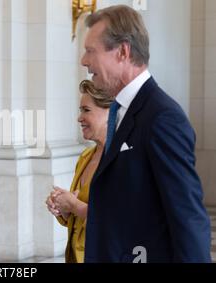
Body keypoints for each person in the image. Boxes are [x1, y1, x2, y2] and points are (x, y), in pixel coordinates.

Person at [80, 5, 211, 262]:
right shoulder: (120, 111)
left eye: (90, 51)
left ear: (123, 51)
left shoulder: (163, 118)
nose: (84, 61)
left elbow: (186, 216)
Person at [46, 80, 112, 263]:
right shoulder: (86, 156)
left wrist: (74, 205)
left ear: (110, 112)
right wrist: (62, 207)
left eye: (86, 110)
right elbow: (78, 217)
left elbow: (118, 218)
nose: (79, 118)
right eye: (80, 110)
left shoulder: (122, 160)